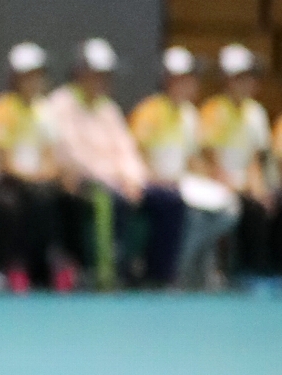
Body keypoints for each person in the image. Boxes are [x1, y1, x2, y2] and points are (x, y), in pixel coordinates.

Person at [44, 38, 183, 287]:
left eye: (106, 75)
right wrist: (112, 180)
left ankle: (157, 275)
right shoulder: (60, 104)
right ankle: (108, 272)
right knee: (111, 200)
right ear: (80, 73)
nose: (103, 81)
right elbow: (71, 154)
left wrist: (133, 179)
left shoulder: (109, 109)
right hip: (87, 183)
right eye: (97, 75)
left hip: (120, 182)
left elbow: (126, 151)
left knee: (168, 200)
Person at [132, 46, 237, 287]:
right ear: (170, 80)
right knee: (189, 212)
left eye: (193, 78)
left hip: (182, 184)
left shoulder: (190, 115)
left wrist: (215, 177)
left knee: (228, 210)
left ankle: (199, 271)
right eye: (187, 78)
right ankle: (175, 271)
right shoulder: (150, 111)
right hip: (154, 184)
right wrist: (155, 178)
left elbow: (193, 159)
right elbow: (139, 155)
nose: (192, 84)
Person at [0, 41, 69, 291]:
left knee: (54, 197)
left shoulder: (45, 110)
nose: (33, 81)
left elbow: (51, 157)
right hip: (4, 181)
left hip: (37, 180)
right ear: (15, 78)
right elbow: (3, 163)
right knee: (18, 201)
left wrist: (45, 175)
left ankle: (49, 264)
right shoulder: (0, 109)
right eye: (27, 76)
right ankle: (11, 265)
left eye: (38, 75)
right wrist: (34, 178)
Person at [197, 42, 278, 277]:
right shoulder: (214, 110)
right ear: (227, 80)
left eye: (250, 78)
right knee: (249, 208)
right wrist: (234, 186)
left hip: (244, 183)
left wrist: (260, 189)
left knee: (269, 203)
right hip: (220, 182)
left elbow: (254, 160)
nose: (247, 84)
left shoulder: (256, 113)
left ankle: (268, 270)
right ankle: (245, 271)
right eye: (240, 78)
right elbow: (211, 160)